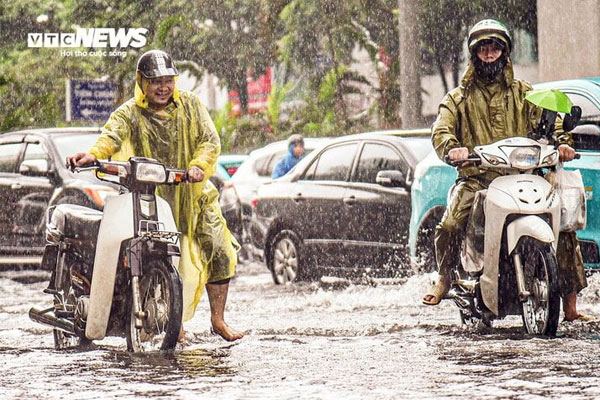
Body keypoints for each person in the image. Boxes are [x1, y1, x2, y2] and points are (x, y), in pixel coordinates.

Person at [66, 49, 244, 341]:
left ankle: (218, 319)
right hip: (153, 198)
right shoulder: (130, 112)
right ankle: (172, 322)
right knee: (158, 256)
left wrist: (199, 166)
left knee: (221, 250)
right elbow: (111, 135)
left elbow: (209, 140)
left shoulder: (191, 105)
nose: (163, 87)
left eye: (168, 80)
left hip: (194, 194)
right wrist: (93, 154)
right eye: (155, 81)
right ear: (142, 82)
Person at [421, 19, 589, 322]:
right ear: (474, 53)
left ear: (505, 51)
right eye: (484, 47)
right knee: (449, 225)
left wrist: (563, 144)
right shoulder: (457, 99)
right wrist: (452, 148)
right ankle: (445, 278)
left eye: (495, 47)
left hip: (524, 177)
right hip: (478, 179)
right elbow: (441, 132)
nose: (490, 52)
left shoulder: (526, 93)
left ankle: (571, 307)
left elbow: (556, 126)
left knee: (564, 226)